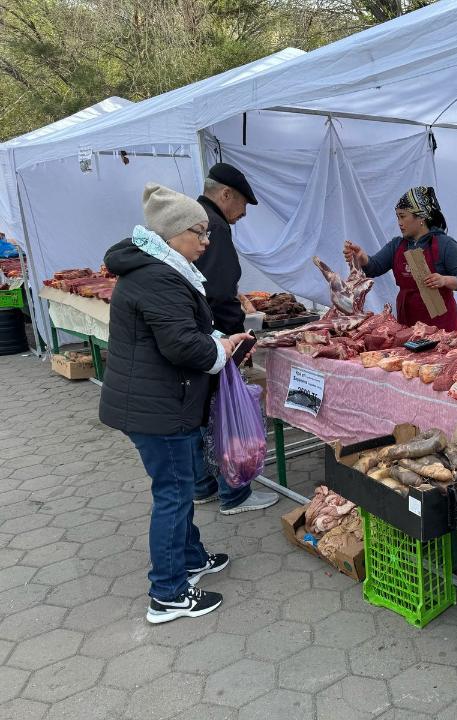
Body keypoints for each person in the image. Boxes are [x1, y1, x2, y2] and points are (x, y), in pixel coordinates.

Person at [99, 184, 252, 624]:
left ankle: (191, 558)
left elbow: (182, 330)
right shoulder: (158, 277)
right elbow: (183, 345)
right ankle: (166, 594)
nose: (206, 241)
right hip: (159, 407)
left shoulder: (159, 270)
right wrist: (221, 350)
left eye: (207, 232)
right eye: (198, 232)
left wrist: (219, 339)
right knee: (173, 494)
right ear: (172, 234)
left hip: (160, 400)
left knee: (178, 488)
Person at [194, 162, 278, 514]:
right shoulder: (214, 226)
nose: (243, 214)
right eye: (243, 204)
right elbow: (217, 289)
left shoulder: (194, 219)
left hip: (198, 334)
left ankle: (203, 486)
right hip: (216, 336)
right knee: (222, 410)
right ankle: (235, 494)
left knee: (202, 412)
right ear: (225, 194)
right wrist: (235, 338)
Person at [343, 186, 457, 333]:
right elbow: (374, 267)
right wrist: (362, 258)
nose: (399, 222)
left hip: (441, 327)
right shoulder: (397, 245)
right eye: (397, 217)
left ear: (421, 217)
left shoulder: (445, 245)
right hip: (408, 325)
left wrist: (444, 280)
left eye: (403, 216)